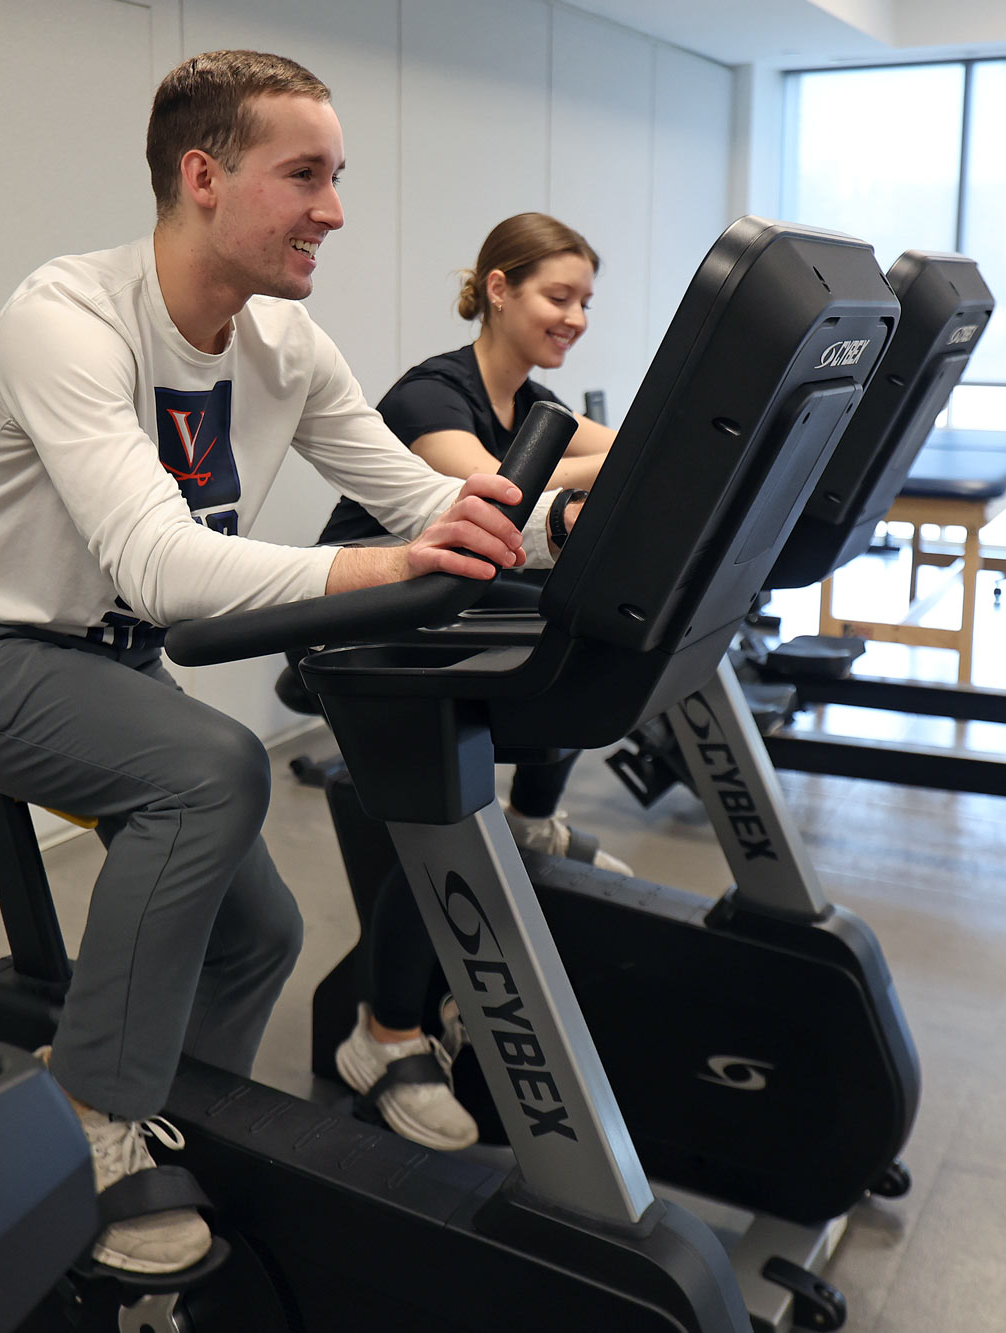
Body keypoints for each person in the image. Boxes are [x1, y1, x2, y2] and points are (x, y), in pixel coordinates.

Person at [0, 51, 580, 1277]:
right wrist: (386, 562)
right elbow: (162, 568)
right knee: (215, 767)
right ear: (203, 175)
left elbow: (423, 496)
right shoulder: (66, 320)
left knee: (259, 934)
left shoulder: (284, 345)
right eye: (304, 175)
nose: (334, 210)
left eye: (335, 176)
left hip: (103, 662)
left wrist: (557, 533)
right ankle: (89, 1118)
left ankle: (162, 1112)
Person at [318, 214, 631, 1155]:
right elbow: (496, 498)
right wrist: (571, 469)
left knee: (592, 638)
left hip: (446, 606)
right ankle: (384, 1034)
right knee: (448, 812)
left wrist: (571, 463)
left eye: (584, 302)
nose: (574, 317)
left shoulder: (534, 400)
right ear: (498, 288)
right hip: (366, 625)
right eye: (557, 295)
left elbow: (632, 453)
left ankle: (532, 822)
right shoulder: (432, 393)